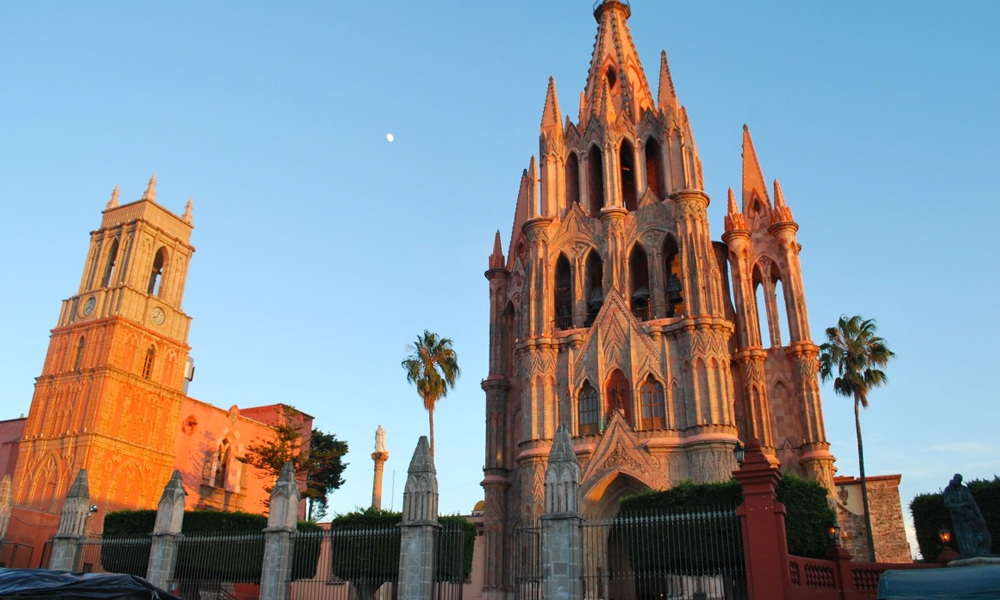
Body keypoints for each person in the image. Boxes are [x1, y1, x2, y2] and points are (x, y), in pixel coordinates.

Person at [943, 473, 992, 557]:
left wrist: (979, 516)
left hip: (968, 515)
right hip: (957, 517)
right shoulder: (948, 490)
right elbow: (947, 504)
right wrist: (962, 505)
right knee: (962, 534)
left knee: (973, 532)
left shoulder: (964, 489)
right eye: (957, 480)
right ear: (954, 479)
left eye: (959, 481)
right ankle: (966, 552)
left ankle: (975, 550)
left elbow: (973, 503)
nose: (958, 482)